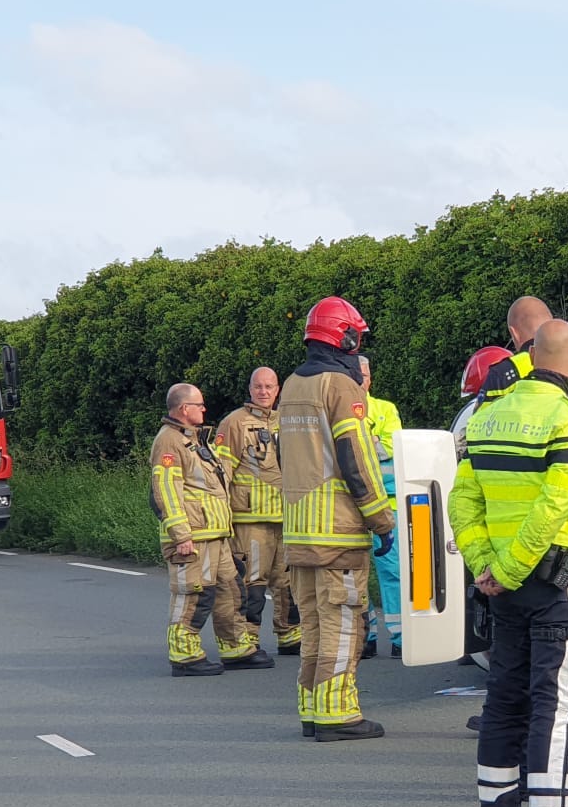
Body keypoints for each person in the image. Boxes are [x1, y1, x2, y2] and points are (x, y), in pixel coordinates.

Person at [452, 319, 568, 807]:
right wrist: (514, 567)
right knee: (556, 701)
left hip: (503, 588)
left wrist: (486, 567)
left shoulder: (487, 416)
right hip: (550, 582)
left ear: (528, 358)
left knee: (503, 696)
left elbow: (463, 502)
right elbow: (555, 508)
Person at [278, 297, 396, 741]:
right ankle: (337, 715)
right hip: (339, 532)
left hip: (299, 531)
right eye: (356, 336)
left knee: (312, 624)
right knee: (344, 624)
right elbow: (357, 458)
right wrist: (381, 520)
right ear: (343, 337)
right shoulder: (342, 388)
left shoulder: (292, 385)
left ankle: (311, 710)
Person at [150, 383, 253, 676]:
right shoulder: (169, 441)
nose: (204, 409)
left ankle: (236, 649)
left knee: (231, 591)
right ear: (184, 409)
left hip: (214, 534)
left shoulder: (194, 439)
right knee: (193, 595)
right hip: (193, 537)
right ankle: (184, 657)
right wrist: (180, 536)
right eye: (199, 405)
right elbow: (166, 490)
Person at [216, 367, 294, 663]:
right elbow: (221, 473)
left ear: (278, 390)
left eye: (269, 386)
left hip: (285, 517)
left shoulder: (287, 421)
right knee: (253, 581)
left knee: (287, 580)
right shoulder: (234, 423)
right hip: (250, 519)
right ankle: (248, 639)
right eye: (258, 386)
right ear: (250, 389)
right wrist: (223, 514)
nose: (263, 392)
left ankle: (289, 634)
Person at [359, 355, 403, 659]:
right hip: (352, 506)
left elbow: (391, 448)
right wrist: (370, 441)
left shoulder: (385, 409)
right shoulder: (337, 410)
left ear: (370, 378)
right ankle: (365, 635)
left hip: (388, 505)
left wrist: (363, 441)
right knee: (355, 573)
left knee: (392, 573)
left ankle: (400, 637)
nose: (358, 379)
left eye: (362, 373)